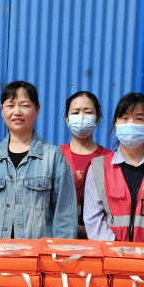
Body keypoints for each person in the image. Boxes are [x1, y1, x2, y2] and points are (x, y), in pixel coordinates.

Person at [0, 81, 78, 239]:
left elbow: (65, 216)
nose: (17, 112)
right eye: (10, 106)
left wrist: (59, 251)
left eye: (25, 105)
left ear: (37, 109)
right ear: (2, 110)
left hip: (37, 252)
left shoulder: (53, 157)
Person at [84, 92, 144, 248]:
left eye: (139, 119)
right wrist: (115, 251)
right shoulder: (98, 167)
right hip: (110, 256)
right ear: (116, 125)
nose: (131, 124)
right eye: (125, 118)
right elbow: (93, 219)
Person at [59, 91, 112, 237]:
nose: (81, 117)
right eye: (75, 112)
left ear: (97, 119)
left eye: (88, 112)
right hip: (62, 237)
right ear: (67, 120)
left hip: (102, 237)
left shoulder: (110, 158)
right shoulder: (55, 156)